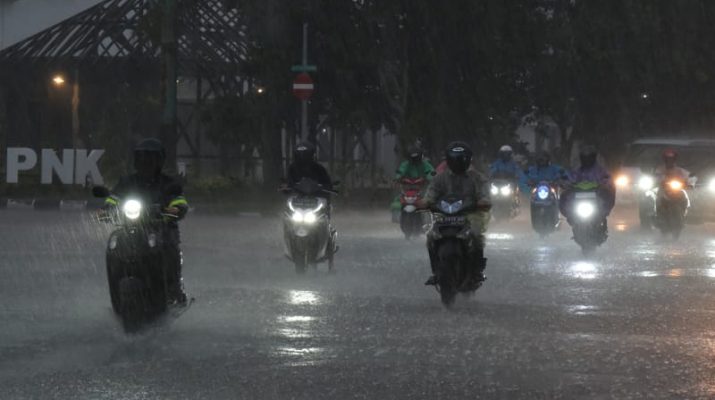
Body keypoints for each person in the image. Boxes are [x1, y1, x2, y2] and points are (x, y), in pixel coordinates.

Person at [103, 138, 189, 305]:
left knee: (169, 247)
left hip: (161, 228)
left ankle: (173, 290)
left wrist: (175, 209)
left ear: (159, 161)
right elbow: (114, 198)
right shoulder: (127, 182)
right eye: (141, 157)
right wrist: (108, 207)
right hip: (131, 228)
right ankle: (115, 292)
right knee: (113, 246)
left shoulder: (168, 183)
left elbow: (179, 200)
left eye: (150, 158)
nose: (145, 161)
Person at [420, 142, 491, 287]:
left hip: (471, 214)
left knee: (476, 235)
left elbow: (484, 195)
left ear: (468, 160)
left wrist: (483, 201)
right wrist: (426, 202)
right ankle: (435, 271)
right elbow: (431, 193)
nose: (458, 163)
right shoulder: (440, 178)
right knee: (431, 237)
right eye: (454, 159)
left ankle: (477, 270)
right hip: (445, 214)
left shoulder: (477, 178)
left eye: (461, 159)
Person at [559, 145, 615, 223]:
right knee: (564, 195)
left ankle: (603, 213)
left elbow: (607, 178)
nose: (587, 160)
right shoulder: (577, 171)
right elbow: (569, 178)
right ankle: (570, 215)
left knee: (609, 193)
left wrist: (605, 184)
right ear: (581, 158)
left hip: (596, 196)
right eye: (584, 157)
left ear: (593, 157)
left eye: (589, 157)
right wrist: (565, 183)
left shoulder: (600, 170)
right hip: (578, 198)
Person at [391, 147, 435, 219]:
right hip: (407, 187)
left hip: (422, 187)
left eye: (416, 159)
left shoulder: (425, 164)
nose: (414, 161)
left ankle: (429, 217)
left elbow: (432, 172)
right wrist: (397, 178)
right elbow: (400, 172)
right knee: (397, 198)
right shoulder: (405, 164)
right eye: (412, 159)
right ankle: (397, 215)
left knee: (429, 199)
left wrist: (427, 178)